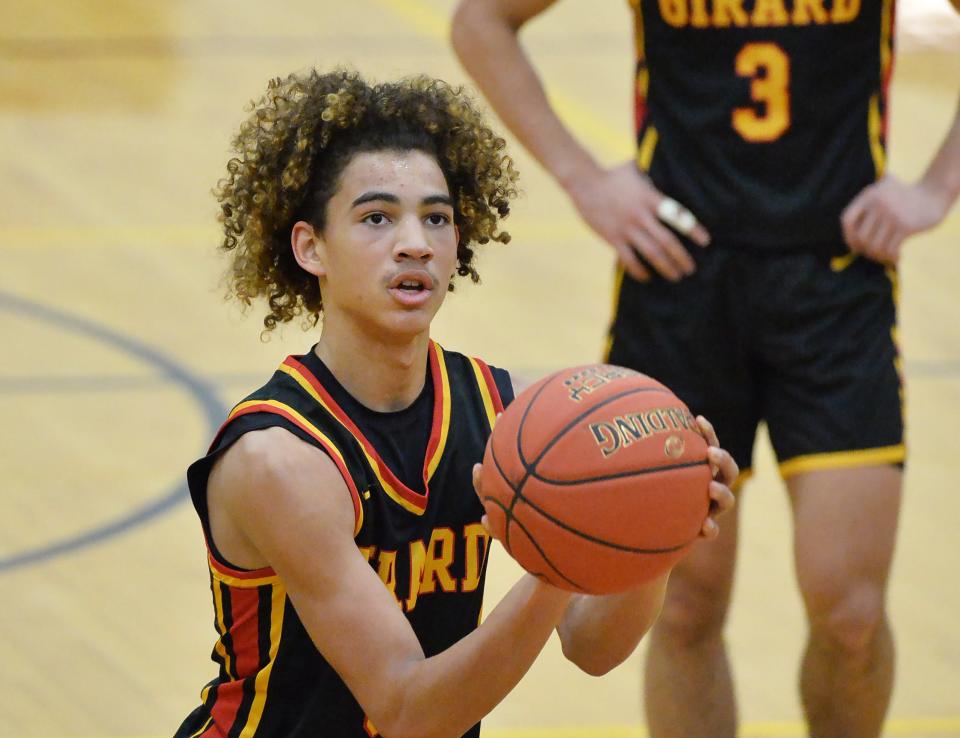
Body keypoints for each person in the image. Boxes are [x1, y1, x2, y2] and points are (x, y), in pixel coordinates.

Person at [173, 68, 737, 738]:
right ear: (310, 247)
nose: (416, 242)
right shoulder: (279, 460)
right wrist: (559, 558)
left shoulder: (507, 414)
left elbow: (592, 648)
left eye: (436, 218)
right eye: (377, 217)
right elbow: (408, 710)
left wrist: (651, 533)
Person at [451, 2, 960, 738]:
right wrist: (584, 180)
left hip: (837, 286)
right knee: (685, 605)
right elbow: (481, 21)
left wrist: (936, 189)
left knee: (851, 614)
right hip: (679, 283)